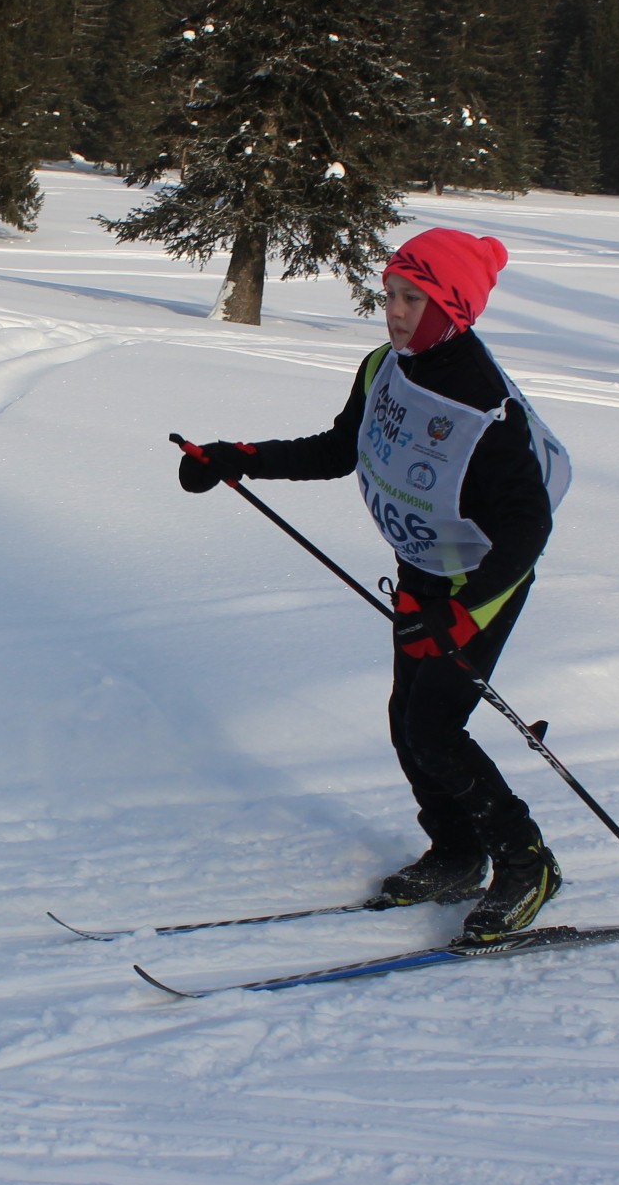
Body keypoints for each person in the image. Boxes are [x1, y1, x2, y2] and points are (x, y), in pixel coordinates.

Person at [178, 227, 569, 942]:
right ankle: (456, 852)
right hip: (424, 572)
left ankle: (526, 863)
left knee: (434, 726)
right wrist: (237, 458)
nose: (393, 310)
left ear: (452, 306)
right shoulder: (385, 367)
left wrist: (463, 613)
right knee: (406, 719)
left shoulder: (488, 410)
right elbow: (338, 449)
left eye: (411, 298)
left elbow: (528, 529)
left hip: (482, 582)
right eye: (389, 294)